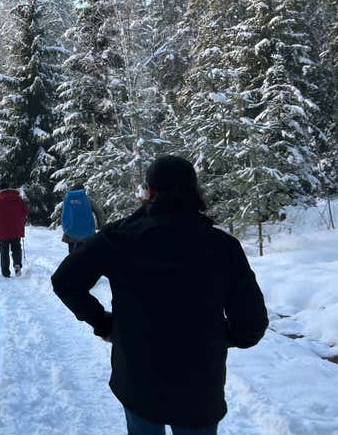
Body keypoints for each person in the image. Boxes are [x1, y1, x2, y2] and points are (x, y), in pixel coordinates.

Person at [51, 155, 268, 435]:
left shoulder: (118, 237)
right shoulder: (223, 246)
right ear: (195, 191)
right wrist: (219, 337)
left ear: (149, 191)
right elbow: (252, 325)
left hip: (137, 379)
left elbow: (65, 281)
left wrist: (103, 322)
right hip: (199, 386)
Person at [0, 184, 28, 277]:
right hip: (16, 230)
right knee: (16, 248)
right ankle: (17, 264)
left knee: (4, 252)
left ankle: (6, 272)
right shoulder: (19, 200)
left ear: (1, 191)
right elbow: (25, 212)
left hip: (3, 232)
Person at [61, 184, 105, 253]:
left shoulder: (67, 200)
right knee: (85, 254)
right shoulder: (88, 199)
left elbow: (65, 214)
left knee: (72, 255)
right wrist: (101, 227)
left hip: (71, 232)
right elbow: (98, 212)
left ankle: (72, 262)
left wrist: (65, 227)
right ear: (83, 190)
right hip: (87, 233)